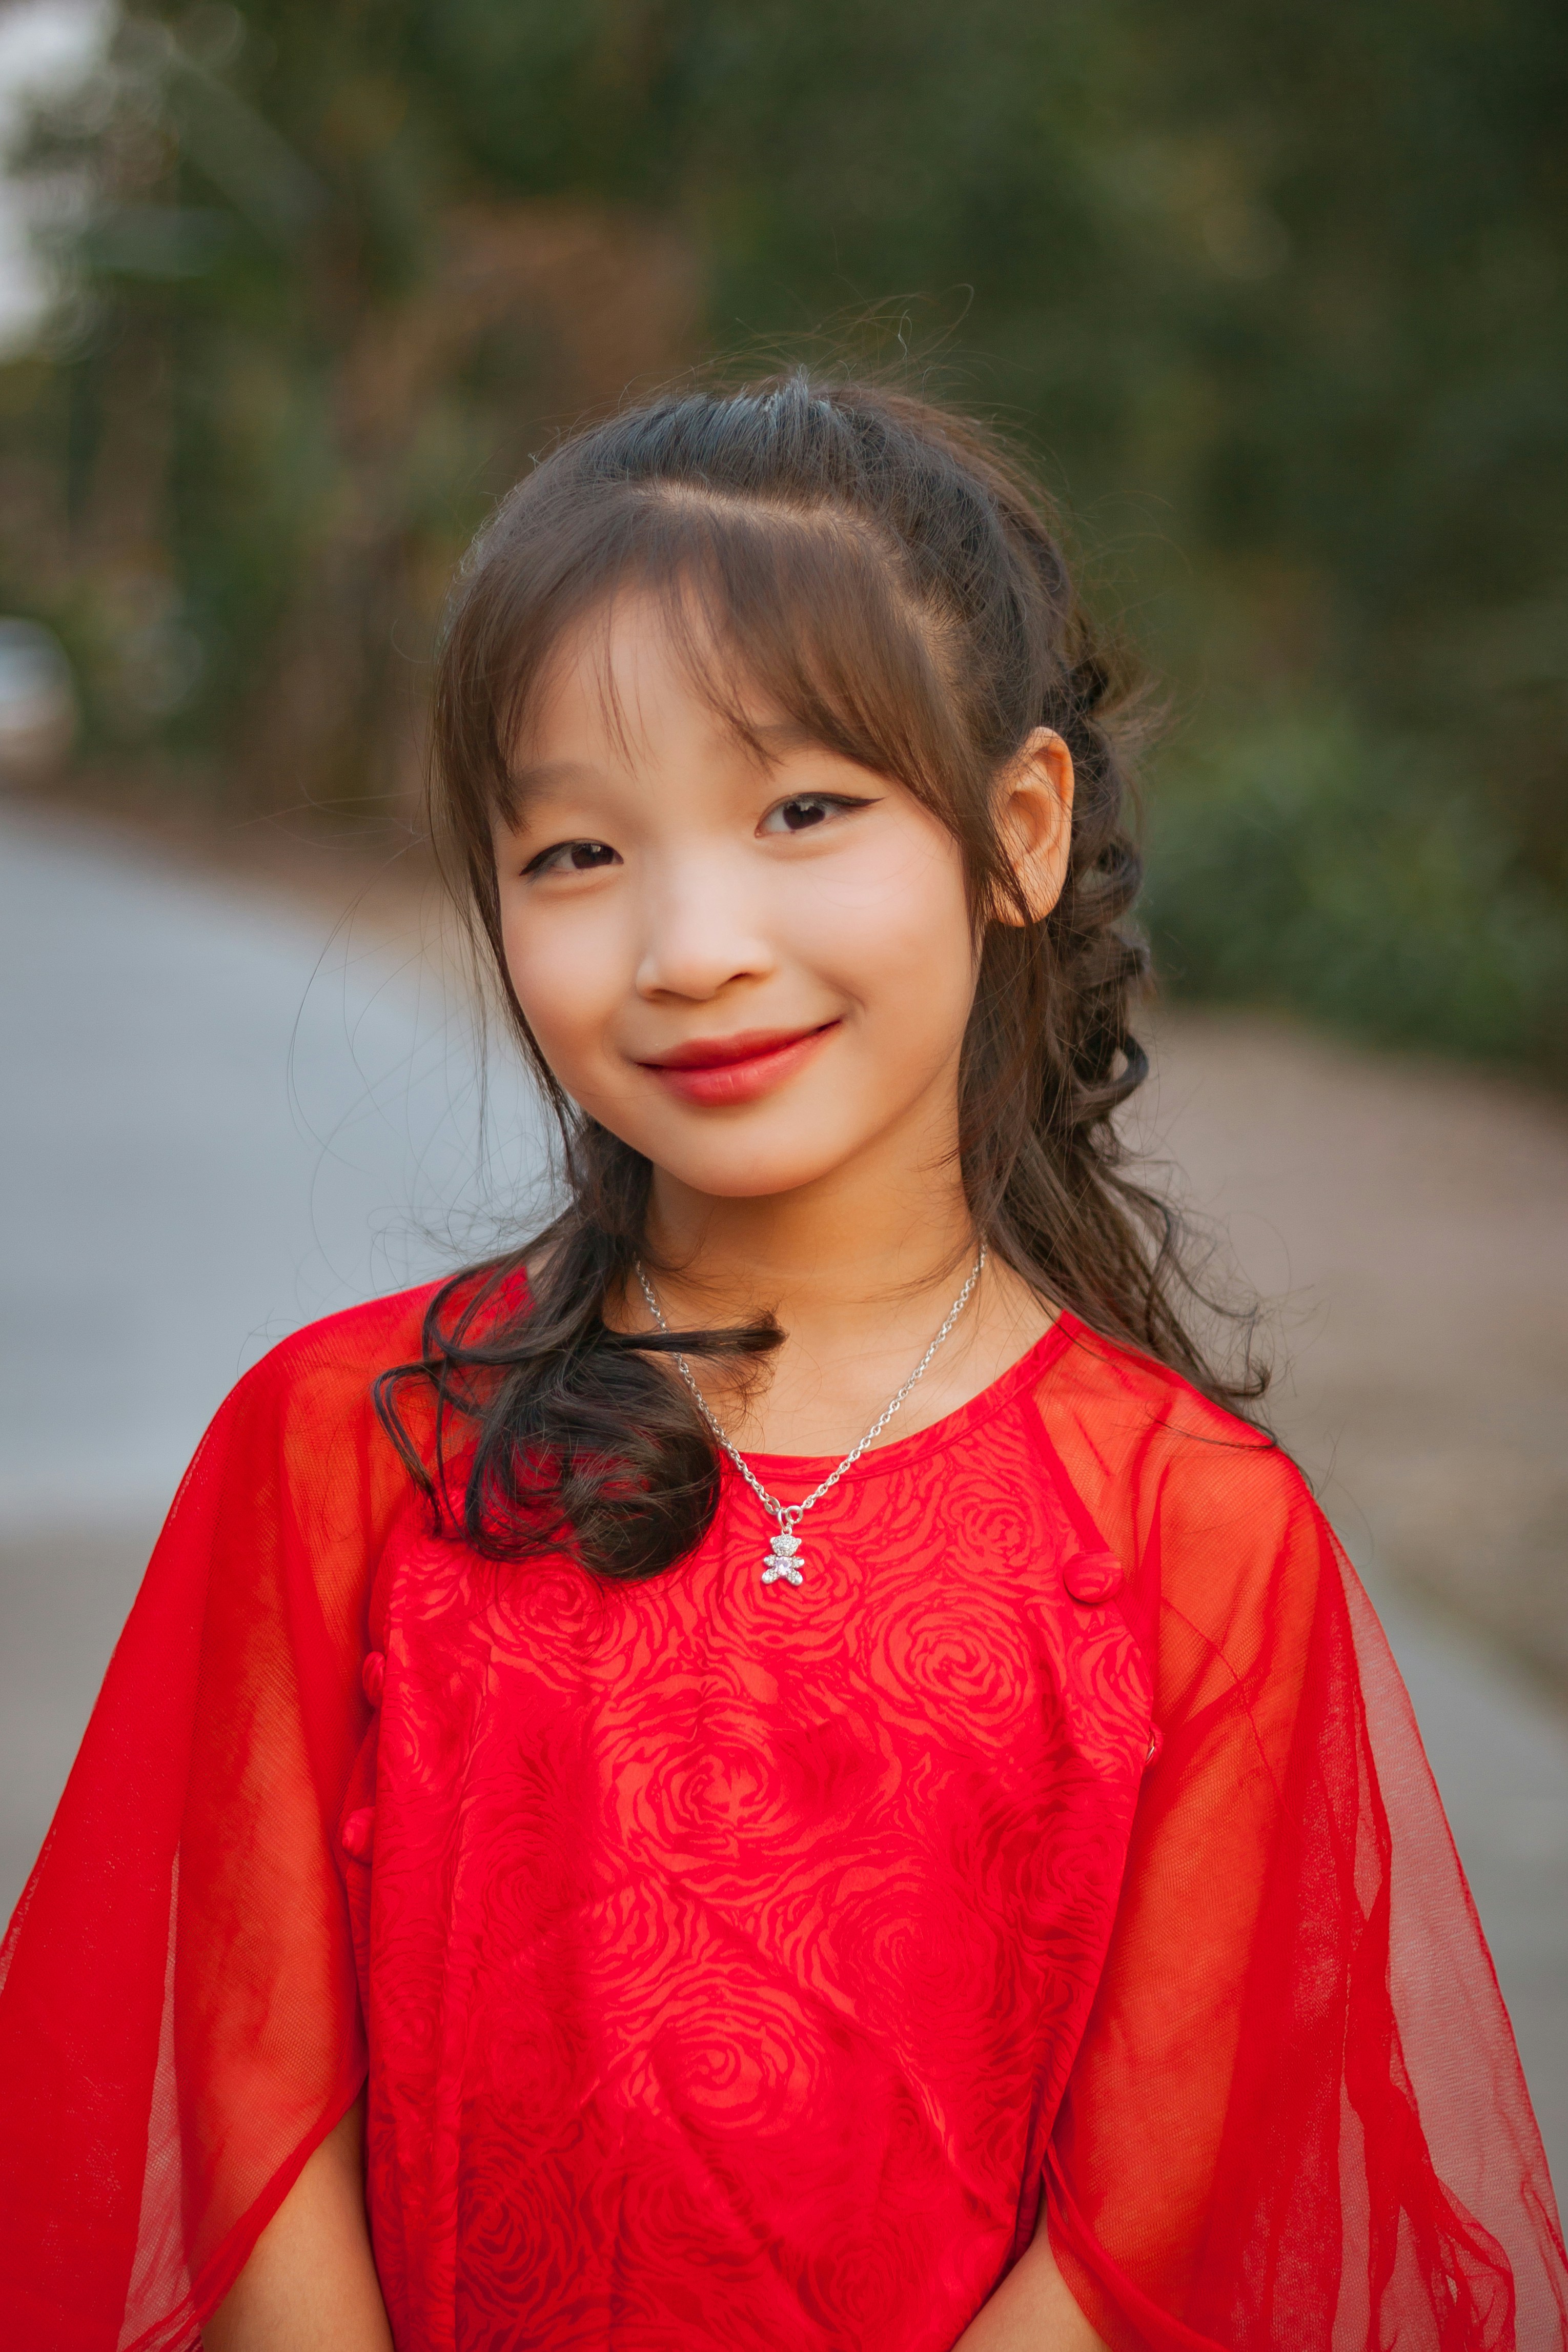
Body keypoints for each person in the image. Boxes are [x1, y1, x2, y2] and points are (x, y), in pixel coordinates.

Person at [1, 375, 1563, 2352]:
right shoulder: (348, 1446)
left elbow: (1137, 2242)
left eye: (803, 809)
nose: (690, 941)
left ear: (1015, 834)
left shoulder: (1195, 1540)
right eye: (575, 852)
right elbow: (243, 2106)